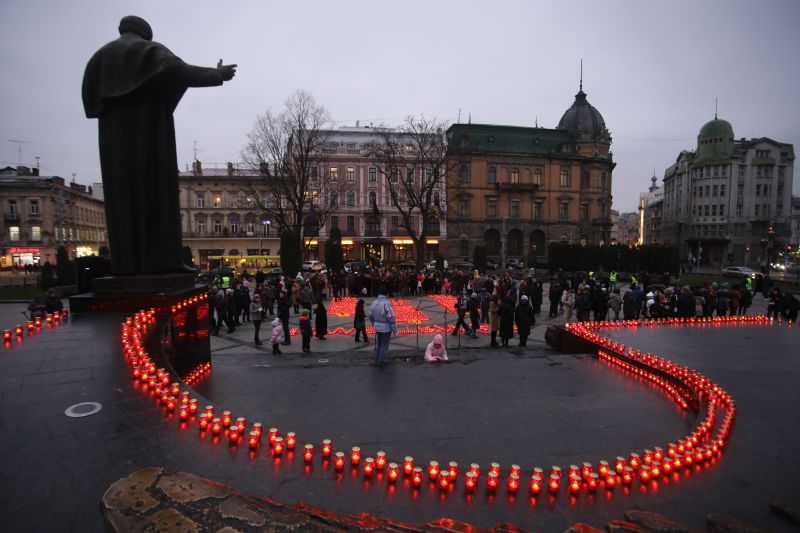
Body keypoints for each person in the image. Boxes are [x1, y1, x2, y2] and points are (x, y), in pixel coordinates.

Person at [82, 16, 236, 275]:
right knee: (156, 191)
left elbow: (91, 102)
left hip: (114, 139)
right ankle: (163, 261)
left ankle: (126, 263)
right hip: (148, 132)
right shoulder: (147, 50)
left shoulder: (98, 59)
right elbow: (179, 71)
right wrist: (217, 74)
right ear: (145, 32)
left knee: (122, 194)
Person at [369, 286, 397, 367]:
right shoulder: (386, 303)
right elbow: (390, 316)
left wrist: (373, 323)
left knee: (379, 343)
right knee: (384, 344)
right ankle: (382, 360)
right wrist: (394, 327)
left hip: (377, 326)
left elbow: (371, 315)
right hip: (385, 327)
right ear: (386, 294)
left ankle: (378, 358)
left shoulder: (374, 302)